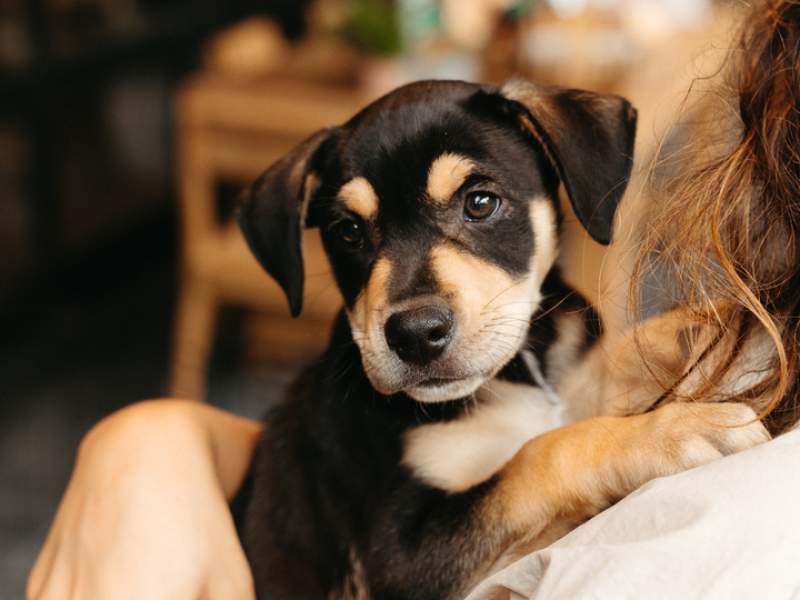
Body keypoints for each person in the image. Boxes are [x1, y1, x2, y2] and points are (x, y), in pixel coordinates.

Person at [27, 0, 800, 598]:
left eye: (479, 203)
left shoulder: (571, 331)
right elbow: (414, 571)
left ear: (566, 180)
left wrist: (636, 365)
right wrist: (583, 459)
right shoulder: (376, 418)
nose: (415, 307)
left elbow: (571, 396)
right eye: (358, 238)